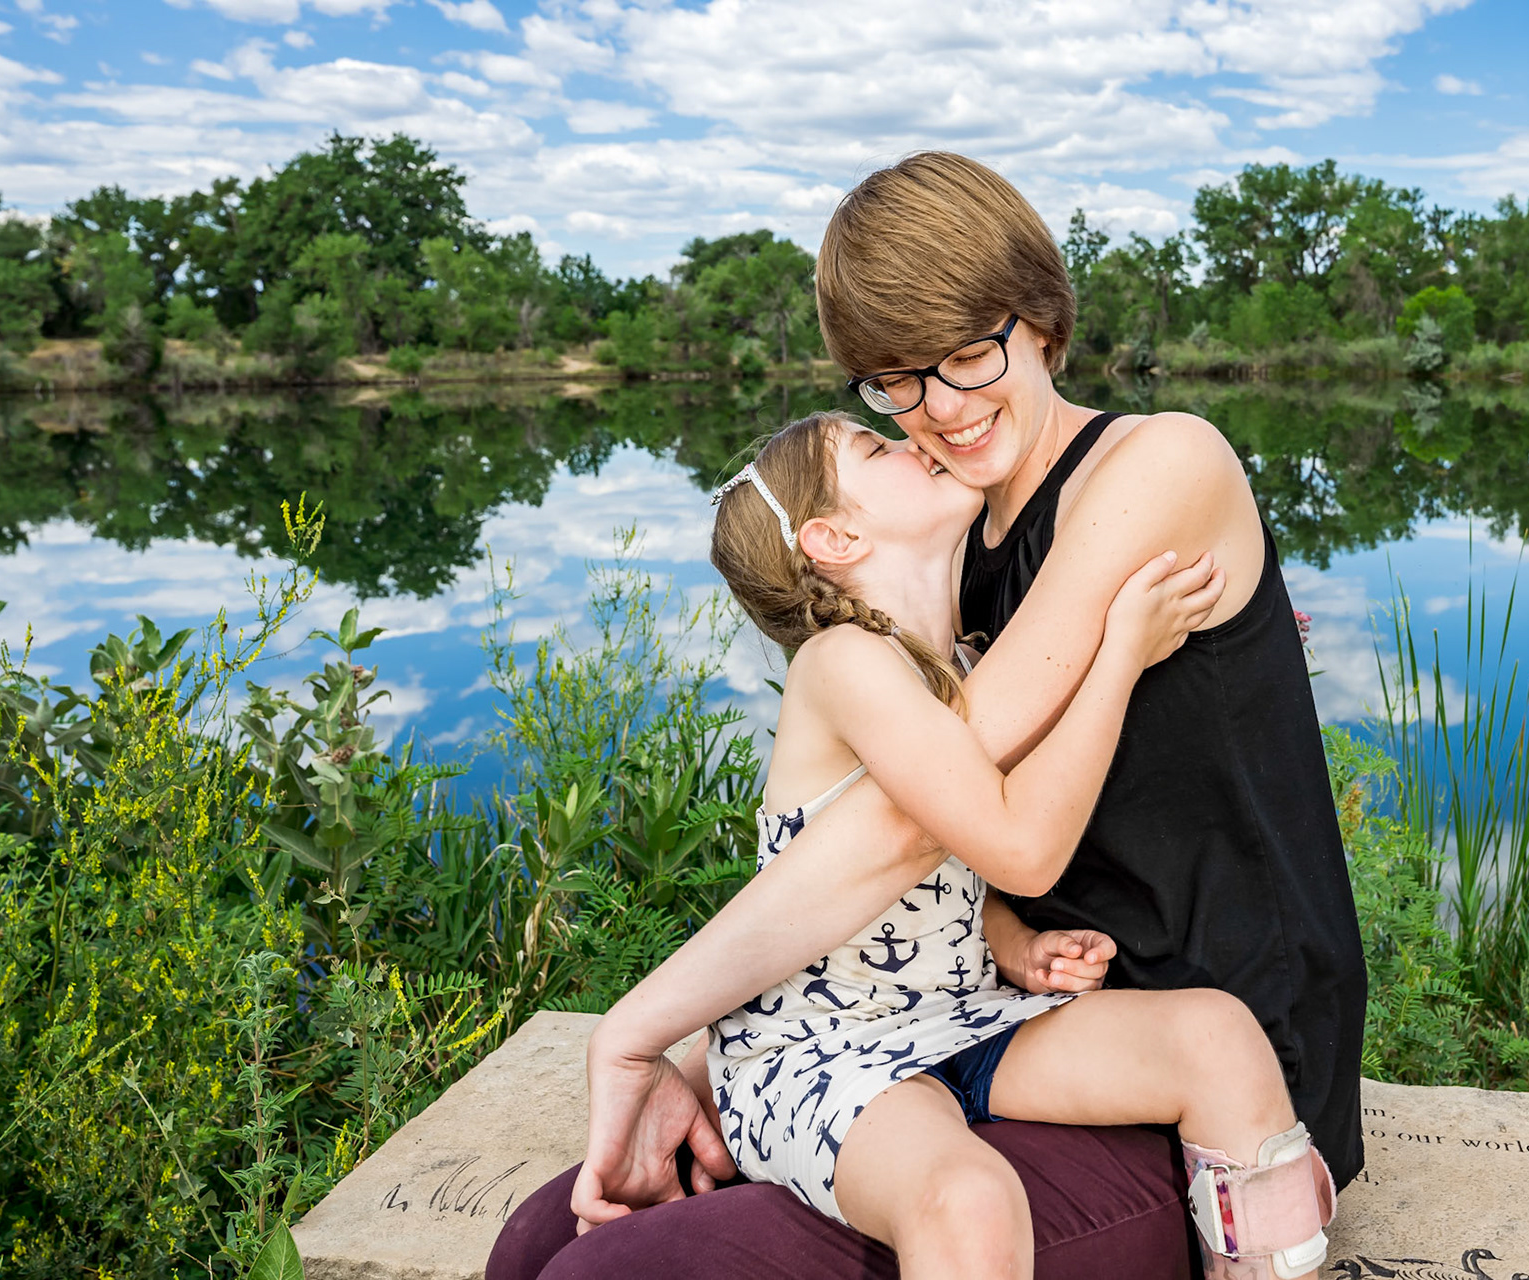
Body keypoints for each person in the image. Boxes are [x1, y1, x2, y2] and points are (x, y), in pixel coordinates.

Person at [486, 151, 1366, 1280]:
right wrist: (717, 1054)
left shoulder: (1159, 466)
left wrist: (643, 1024)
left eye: (966, 356)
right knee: (537, 1235)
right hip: (990, 1024)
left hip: (1188, 1066)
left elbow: (911, 829)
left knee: (599, 1270)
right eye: (896, 381)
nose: (939, 411)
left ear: (1042, 321)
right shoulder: (944, 564)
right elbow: (892, 875)